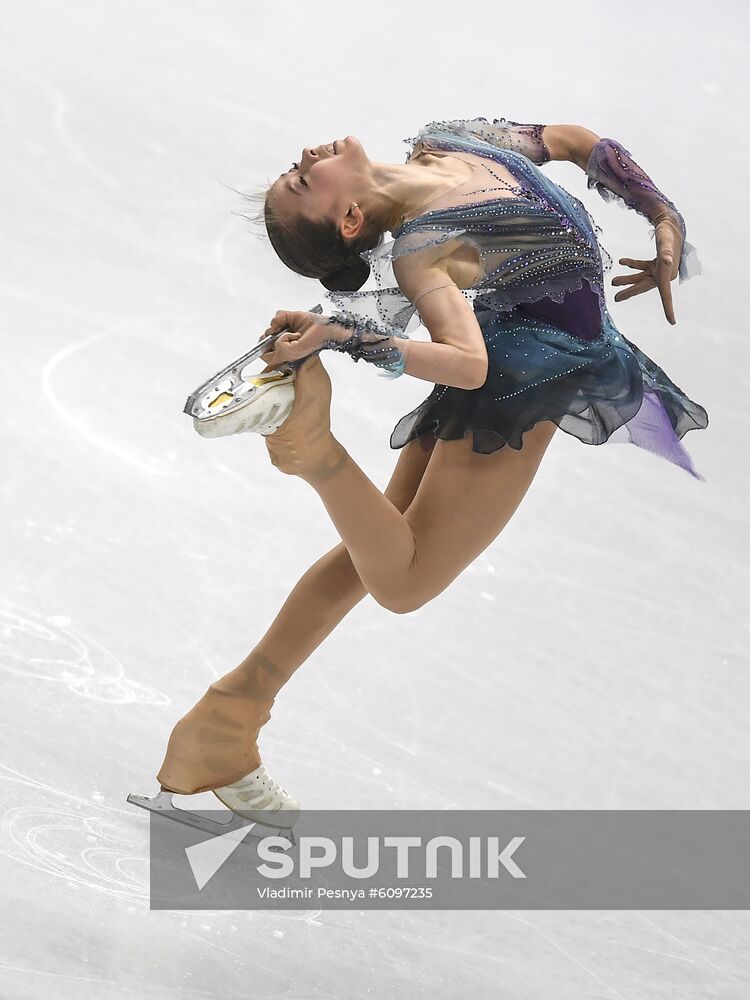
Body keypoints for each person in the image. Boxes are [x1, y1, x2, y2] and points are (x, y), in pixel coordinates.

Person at [142, 117, 709, 830]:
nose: (309, 155)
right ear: (351, 216)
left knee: (368, 552)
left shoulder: (451, 139)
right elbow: (467, 362)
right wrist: (346, 337)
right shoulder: (424, 245)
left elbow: (571, 141)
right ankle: (315, 450)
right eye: (302, 179)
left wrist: (661, 214)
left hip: (527, 352)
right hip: (523, 377)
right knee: (404, 579)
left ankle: (223, 724)